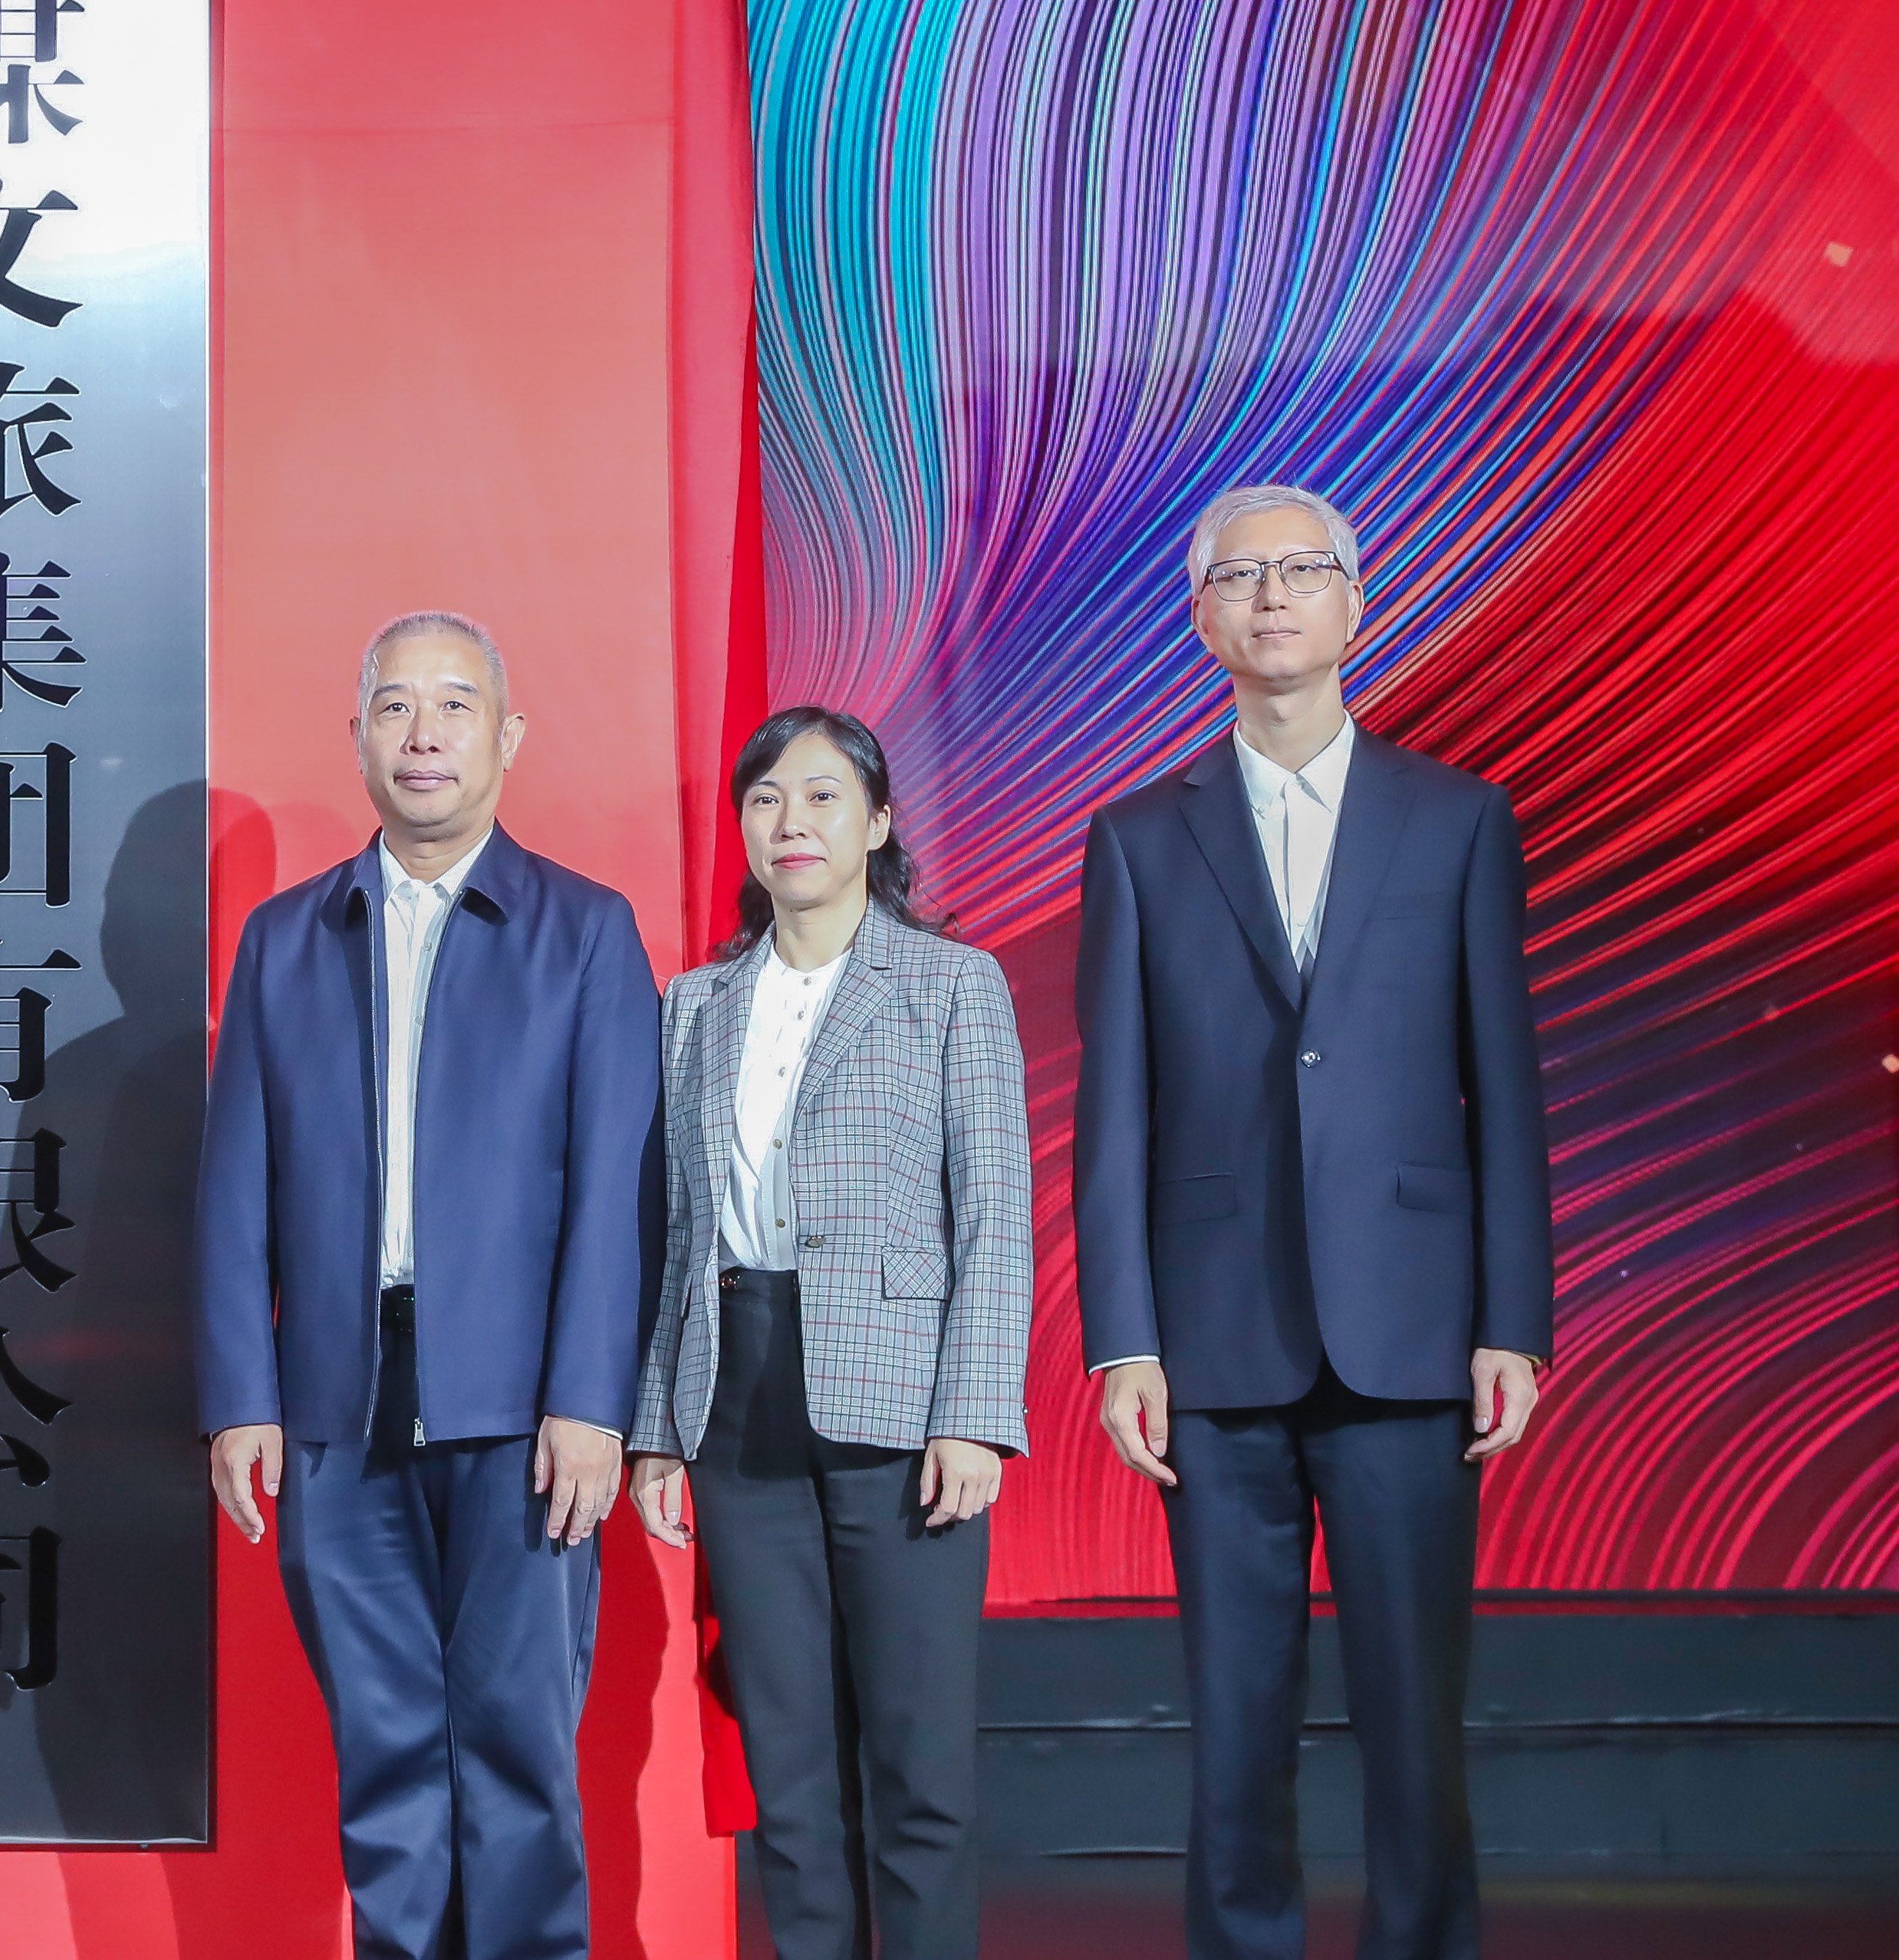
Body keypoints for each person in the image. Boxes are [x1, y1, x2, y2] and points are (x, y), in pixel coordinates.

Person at [1076, 484, 1552, 1960]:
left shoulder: (1457, 816)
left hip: (1410, 1331)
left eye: (1301, 570)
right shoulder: (1137, 836)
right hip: (1213, 1344)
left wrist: (1513, 1321)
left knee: (1416, 1723)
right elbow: (1115, 1108)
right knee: (1235, 1726)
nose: (1271, 595)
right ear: (1199, 614)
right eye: (1239, 576)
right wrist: (1121, 1339)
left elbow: (1503, 1086)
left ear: (1355, 599)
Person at [193, 612, 661, 1960]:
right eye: (395, 707)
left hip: (522, 1408)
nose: (423, 734)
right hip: (339, 1400)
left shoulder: (583, 931)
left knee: (517, 1747)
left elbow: (619, 1186)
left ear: (506, 737)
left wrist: (591, 1400)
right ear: (357, 738)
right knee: (385, 1751)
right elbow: (235, 1186)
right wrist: (240, 1395)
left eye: (454, 705)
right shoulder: (286, 938)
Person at [627, 706, 1031, 1960]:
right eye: (764, 799)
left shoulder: (951, 983)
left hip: (900, 1405)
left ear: (876, 821)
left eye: (819, 796)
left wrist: (974, 1413)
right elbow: (675, 1228)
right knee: (788, 1767)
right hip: (734, 1397)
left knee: (918, 1764)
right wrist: (655, 1426)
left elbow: (994, 1211)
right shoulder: (694, 1003)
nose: (789, 821)